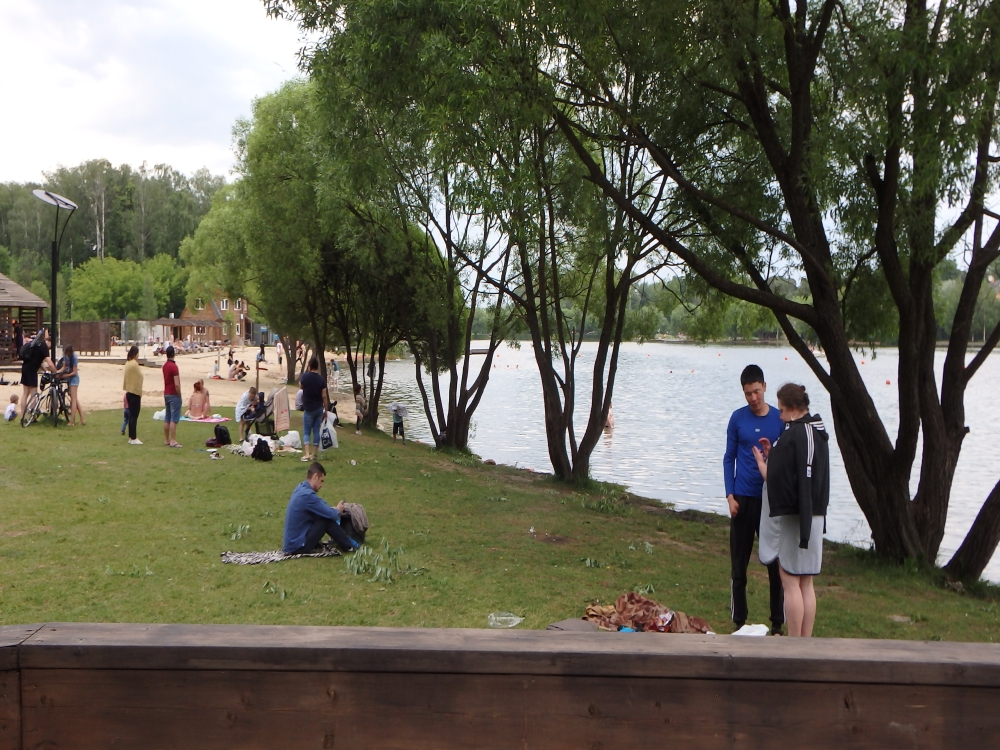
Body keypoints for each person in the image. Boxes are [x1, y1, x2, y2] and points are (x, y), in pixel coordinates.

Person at [753, 383, 830, 638]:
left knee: (789, 579)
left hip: (796, 517)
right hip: (816, 513)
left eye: (783, 410)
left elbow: (775, 478)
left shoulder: (793, 435)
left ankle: (794, 641)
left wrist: (763, 462)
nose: (780, 416)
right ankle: (805, 641)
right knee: (806, 580)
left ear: (794, 409)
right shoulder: (818, 432)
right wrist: (773, 455)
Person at [723, 364, 785, 635]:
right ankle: (739, 621)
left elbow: (786, 461)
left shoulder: (779, 419)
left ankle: (777, 623)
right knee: (739, 565)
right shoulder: (737, 418)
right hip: (742, 498)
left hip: (770, 501)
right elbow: (729, 458)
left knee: (775, 565)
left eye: (757, 392)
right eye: (748, 393)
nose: (753, 398)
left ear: (765, 387)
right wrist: (730, 496)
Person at [282, 462, 359, 555]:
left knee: (323, 516)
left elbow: (322, 507)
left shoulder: (300, 488)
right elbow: (331, 514)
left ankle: (347, 543)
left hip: (292, 544)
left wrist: (332, 510)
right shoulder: (307, 495)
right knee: (325, 520)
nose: (322, 485)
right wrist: (338, 510)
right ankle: (349, 546)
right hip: (297, 547)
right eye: (321, 481)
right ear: (315, 476)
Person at [20, 328, 55, 421]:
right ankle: (32, 417)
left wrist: (45, 371)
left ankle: (22, 417)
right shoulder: (44, 347)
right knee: (33, 393)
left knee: (25, 394)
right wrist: (56, 371)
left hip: (25, 367)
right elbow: (50, 363)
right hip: (32, 370)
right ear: (50, 342)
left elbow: (38, 362)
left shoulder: (37, 343)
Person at [299, 356, 329, 463]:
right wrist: (326, 410)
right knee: (316, 430)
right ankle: (313, 454)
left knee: (306, 431)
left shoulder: (305, 377)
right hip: (318, 408)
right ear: (317, 367)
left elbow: (300, 386)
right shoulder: (321, 379)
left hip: (308, 408)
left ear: (309, 366)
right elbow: (324, 396)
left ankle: (307, 454)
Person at [56, 344, 85, 426]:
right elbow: (64, 367)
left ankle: (72, 421)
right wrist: (57, 372)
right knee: (75, 399)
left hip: (74, 379)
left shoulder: (74, 357)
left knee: (73, 400)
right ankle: (82, 419)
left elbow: (74, 372)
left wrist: (66, 376)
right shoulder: (66, 356)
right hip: (69, 378)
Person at [123, 345, 143, 445]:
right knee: (134, 416)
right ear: (136, 354)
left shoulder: (128, 363)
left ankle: (131, 437)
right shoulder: (134, 364)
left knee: (131, 416)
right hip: (135, 392)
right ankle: (133, 437)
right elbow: (139, 377)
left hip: (128, 392)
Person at [162, 345, 182, 448]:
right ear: (173, 354)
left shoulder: (165, 366)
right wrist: (179, 394)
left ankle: (167, 439)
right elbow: (176, 383)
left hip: (166, 393)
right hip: (173, 393)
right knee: (174, 418)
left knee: (167, 417)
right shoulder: (174, 367)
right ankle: (173, 440)